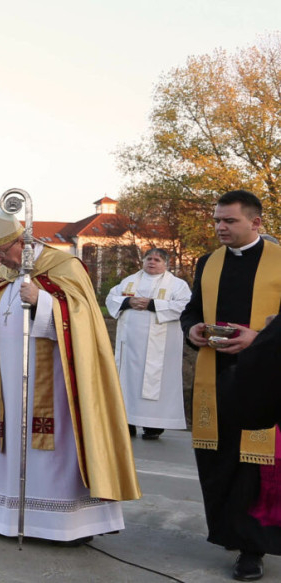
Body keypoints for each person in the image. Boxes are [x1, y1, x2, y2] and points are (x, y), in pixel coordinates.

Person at [0, 197, 140, 544]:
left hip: (55, 385)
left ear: (22, 243)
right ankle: (2, 516)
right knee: (6, 445)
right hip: (5, 384)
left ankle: (67, 525)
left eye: (2, 252)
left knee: (52, 450)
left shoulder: (65, 266)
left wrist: (43, 301)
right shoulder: (7, 274)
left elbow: (84, 320)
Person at [180, 190, 281, 581]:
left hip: (264, 378)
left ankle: (252, 549)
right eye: (217, 221)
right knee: (218, 460)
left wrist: (261, 338)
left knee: (253, 467)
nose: (220, 227)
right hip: (215, 375)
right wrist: (193, 329)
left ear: (255, 222)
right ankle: (227, 532)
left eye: (229, 221)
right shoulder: (208, 262)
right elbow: (192, 310)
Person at [105, 248, 191, 440]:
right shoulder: (129, 281)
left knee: (157, 383)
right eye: (148, 259)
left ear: (166, 264)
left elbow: (185, 306)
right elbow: (111, 299)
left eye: (157, 260)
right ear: (143, 261)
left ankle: (154, 425)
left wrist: (152, 305)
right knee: (127, 382)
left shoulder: (178, 285)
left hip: (161, 347)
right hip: (130, 346)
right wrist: (128, 302)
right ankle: (126, 422)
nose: (152, 262)